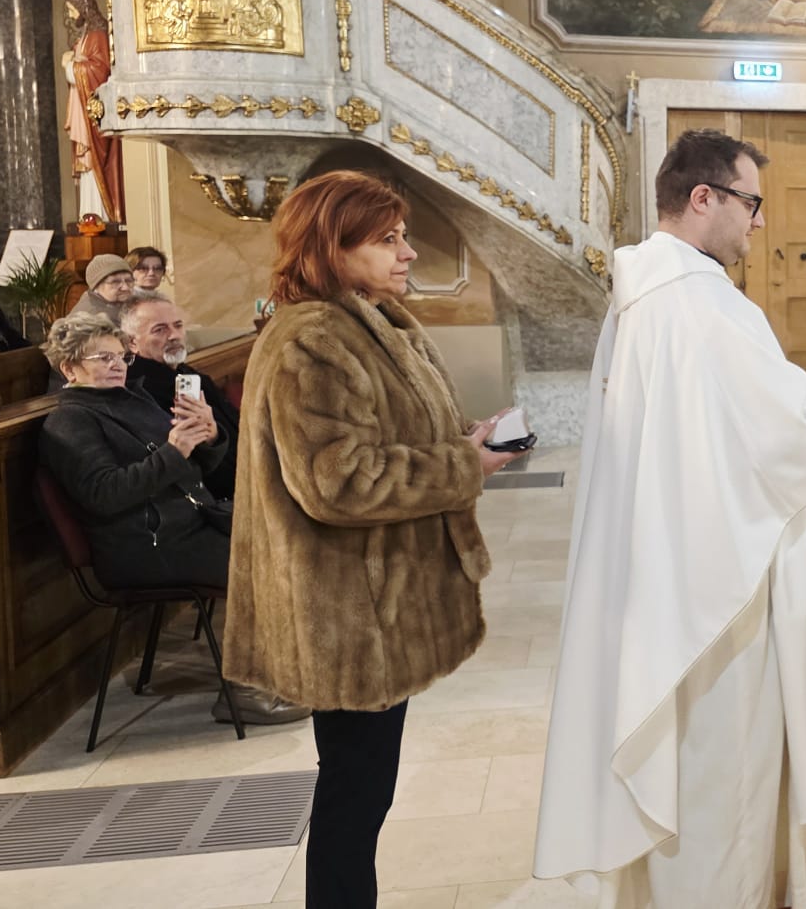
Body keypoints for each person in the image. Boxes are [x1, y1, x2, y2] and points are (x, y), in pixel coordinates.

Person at [533, 129, 806, 909]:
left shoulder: (641, 293)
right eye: (751, 203)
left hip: (657, 574)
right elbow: (772, 442)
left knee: (684, 766)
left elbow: (720, 417)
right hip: (715, 597)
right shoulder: (703, 301)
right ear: (704, 198)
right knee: (723, 770)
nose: (759, 222)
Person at [224, 170, 523, 908]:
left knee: (364, 792)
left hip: (373, 601)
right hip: (346, 610)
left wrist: (466, 439)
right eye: (387, 239)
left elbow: (392, 433)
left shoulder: (375, 320)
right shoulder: (314, 339)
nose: (408, 252)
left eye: (403, 236)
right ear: (332, 247)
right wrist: (462, 466)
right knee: (354, 798)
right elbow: (338, 481)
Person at [37, 313, 306, 727]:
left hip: (187, 524)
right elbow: (105, 494)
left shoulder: (133, 398)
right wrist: (174, 450)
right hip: (142, 545)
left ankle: (288, 673)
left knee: (292, 542)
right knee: (260, 563)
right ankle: (248, 692)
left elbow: (192, 467)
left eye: (121, 357)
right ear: (69, 368)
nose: (117, 366)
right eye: (103, 358)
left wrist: (209, 437)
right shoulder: (69, 422)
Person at [123, 297, 239, 497]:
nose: (174, 336)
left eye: (178, 326)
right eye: (159, 330)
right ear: (133, 342)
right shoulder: (137, 391)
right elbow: (188, 467)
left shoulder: (189, 374)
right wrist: (213, 438)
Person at [64, 0, 122, 223]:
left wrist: (71, 66)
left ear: (83, 9)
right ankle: (89, 214)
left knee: (95, 159)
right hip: (83, 110)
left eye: (72, 10)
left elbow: (100, 71)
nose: (70, 15)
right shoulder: (87, 35)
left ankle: (102, 214)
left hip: (95, 112)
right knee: (87, 163)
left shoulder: (98, 35)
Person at [70, 254, 136, 322]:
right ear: (96, 286)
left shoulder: (113, 304)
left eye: (129, 280)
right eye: (115, 282)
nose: (125, 287)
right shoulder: (95, 319)